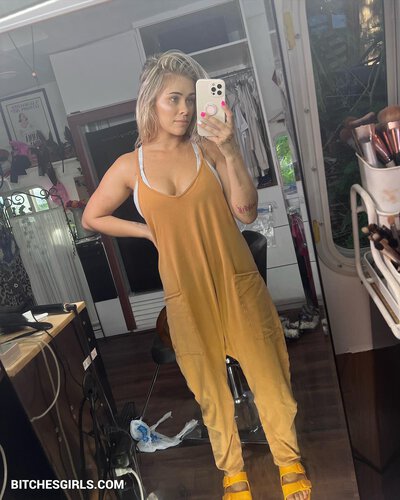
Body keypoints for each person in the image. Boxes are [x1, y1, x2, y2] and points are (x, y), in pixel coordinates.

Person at [82, 50, 312, 500]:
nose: (185, 109)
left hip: (236, 282)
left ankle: (288, 460)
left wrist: (231, 149)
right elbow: (93, 216)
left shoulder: (208, 148)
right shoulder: (131, 167)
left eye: (191, 99)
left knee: (271, 380)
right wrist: (145, 231)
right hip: (185, 295)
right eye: (174, 98)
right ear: (150, 100)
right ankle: (233, 473)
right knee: (210, 393)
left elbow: (245, 213)